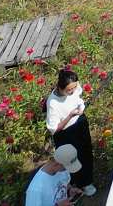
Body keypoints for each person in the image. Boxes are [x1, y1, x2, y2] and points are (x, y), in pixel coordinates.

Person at [45, 68, 97, 198]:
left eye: (74, 87)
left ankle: (87, 181)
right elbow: (54, 129)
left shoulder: (74, 88)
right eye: (69, 90)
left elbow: (77, 96)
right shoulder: (53, 103)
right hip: (66, 133)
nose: (72, 91)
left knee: (86, 152)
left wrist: (80, 108)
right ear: (60, 88)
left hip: (79, 122)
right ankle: (76, 184)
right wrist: (70, 115)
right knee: (73, 157)